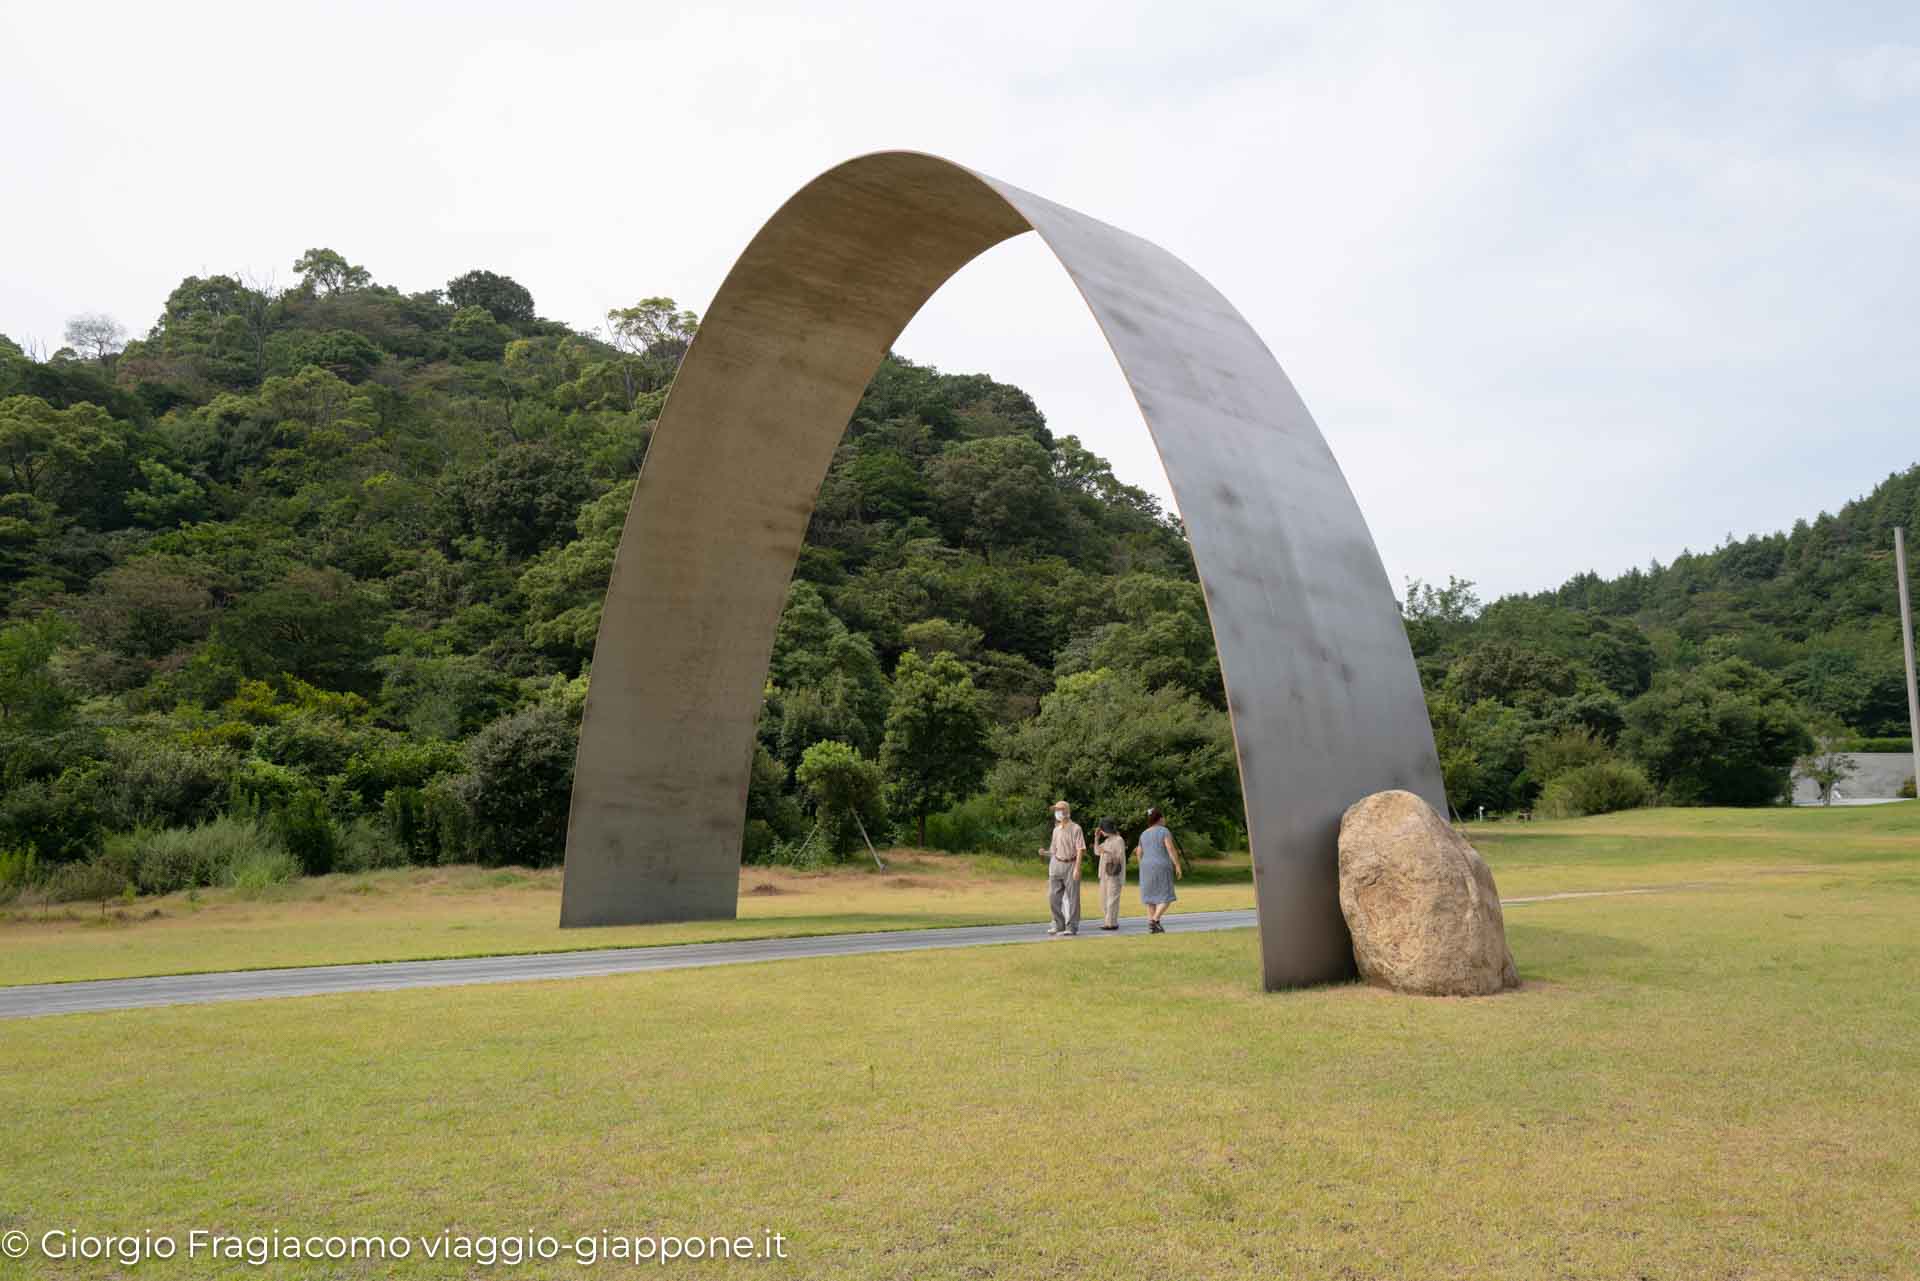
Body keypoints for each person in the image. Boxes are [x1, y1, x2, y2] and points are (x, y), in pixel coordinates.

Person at [1133, 806, 1184, 933]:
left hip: (1145, 866)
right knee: (1166, 895)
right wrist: (1177, 865)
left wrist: (1142, 865)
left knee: (1150, 897)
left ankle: (1153, 926)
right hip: (1161, 865)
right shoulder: (1164, 831)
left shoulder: (1143, 833)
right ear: (1160, 818)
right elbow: (1170, 849)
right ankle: (1154, 920)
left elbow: (1139, 852)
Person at [1038, 799, 1085, 936]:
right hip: (1056, 864)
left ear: (1066, 811)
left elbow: (1080, 849)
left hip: (1070, 864)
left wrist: (1077, 868)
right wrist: (1044, 853)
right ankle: (1059, 924)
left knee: (1073, 898)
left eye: (1059, 810)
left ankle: (1072, 927)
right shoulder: (1056, 830)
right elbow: (1054, 850)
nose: (1057, 813)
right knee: (1053, 897)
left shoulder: (1076, 828)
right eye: (1056, 810)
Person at [1093, 817, 1126, 930]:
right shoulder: (1107, 841)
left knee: (1112, 899)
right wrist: (1096, 838)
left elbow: (1119, 857)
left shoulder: (1119, 840)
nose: (1101, 832)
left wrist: (1107, 852)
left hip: (1114, 873)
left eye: (1101, 830)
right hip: (1104, 873)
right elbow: (1096, 852)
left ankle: (1110, 923)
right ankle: (1110, 921)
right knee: (1103, 899)